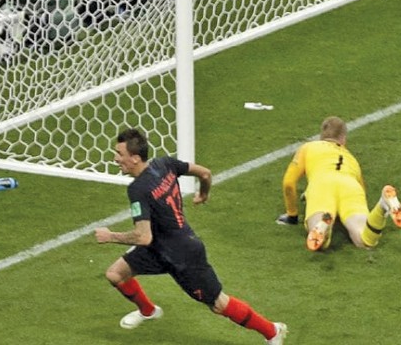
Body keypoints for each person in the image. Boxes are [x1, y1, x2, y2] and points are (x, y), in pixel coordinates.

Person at [94, 128, 287, 344]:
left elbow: (142, 237)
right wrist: (204, 193)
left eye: (120, 154)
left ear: (136, 158)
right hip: (159, 247)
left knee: (218, 304)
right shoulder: (164, 164)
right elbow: (204, 173)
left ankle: (272, 331)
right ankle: (148, 311)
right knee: (115, 274)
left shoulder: (138, 189)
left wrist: (110, 236)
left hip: (183, 256)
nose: (116, 158)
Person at [276, 116, 401, 252]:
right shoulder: (352, 159)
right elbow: (362, 189)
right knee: (365, 240)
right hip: (351, 187)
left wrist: (292, 215)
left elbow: (288, 183)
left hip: (322, 185)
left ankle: (323, 225)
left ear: (321, 135)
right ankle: (382, 205)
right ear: (343, 139)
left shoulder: (308, 147)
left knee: (317, 240)